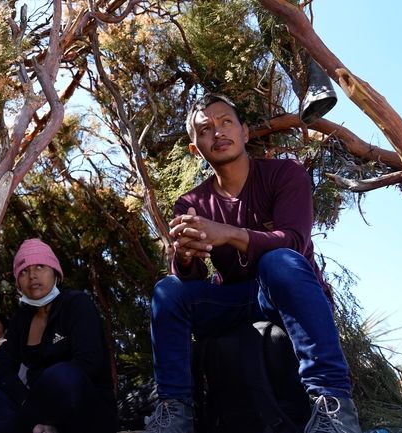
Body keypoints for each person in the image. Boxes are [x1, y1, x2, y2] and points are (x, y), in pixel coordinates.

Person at [144, 94, 362, 433]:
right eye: (205, 129)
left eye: (226, 122)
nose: (217, 133)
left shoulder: (284, 174)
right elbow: (193, 276)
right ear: (195, 148)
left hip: (282, 294)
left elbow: (294, 241)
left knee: (279, 262)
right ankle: (174, 411)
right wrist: (185, 256)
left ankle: (332, 405)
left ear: (245, 132)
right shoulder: (191, 202)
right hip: (232, 300)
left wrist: (228, 233)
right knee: (168, 291)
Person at [0, 239, 118, 433]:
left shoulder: (76, 303)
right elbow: (3, 368)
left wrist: (42, 403)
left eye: (40, 266)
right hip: (34, 411)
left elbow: (89, 363)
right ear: (18, 283)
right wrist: (27, 401)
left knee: (62, 374)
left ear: (55, 272)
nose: (32, 276)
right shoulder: (21, 320)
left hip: (84, 409)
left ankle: (2, 429)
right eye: (23, 271)